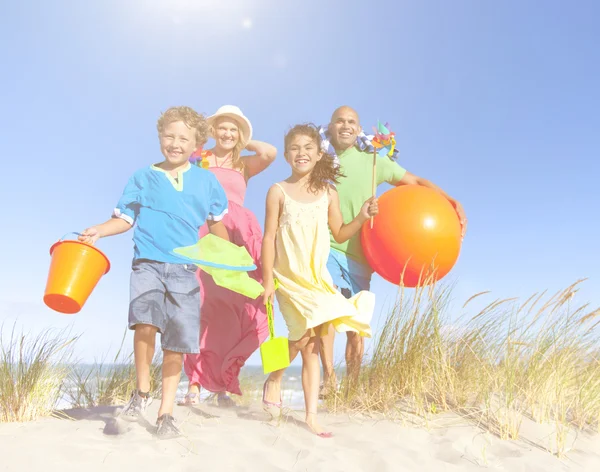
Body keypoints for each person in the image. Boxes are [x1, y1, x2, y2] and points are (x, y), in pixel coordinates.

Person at [78, 106, 230, 439]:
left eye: (183, 138)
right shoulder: (141, 177)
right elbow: (125, 219)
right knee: (144, 321)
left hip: (186, 268)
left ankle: (165, 413)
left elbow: (216, 224)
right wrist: (100, 230)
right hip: (147, 261)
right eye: (169, 136)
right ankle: (142, 392)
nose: (175, 143)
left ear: (196, 144)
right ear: (160, 136)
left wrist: (231, 256)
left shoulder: (207, 181)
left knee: (176, 341)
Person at [318, 106, 468, 396]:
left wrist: (449, 200)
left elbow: (414, 182)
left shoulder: (374, 158)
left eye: (351, 121)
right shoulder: (321, 159)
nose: (345, 126)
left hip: (362, 255)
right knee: (326, 309)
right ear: (331, 125)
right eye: (340, 121)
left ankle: (351, 387)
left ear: (358, 127)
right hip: (328, 245)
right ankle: (328, 379)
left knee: (356, 326)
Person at [260, 123, 377, 437]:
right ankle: (274, 377)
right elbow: (268, 237)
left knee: (312, 344)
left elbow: (339, 233)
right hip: (288, 277)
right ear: (286, 155)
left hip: (317, 279)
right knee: (302, 339)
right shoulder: (277, 191)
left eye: (308, 147)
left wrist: (362, 217)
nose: (302, 153)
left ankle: (311, 416)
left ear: (318, 153)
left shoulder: (328, 192)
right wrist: (268, 280)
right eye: (295, 148)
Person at [181, 105, 277, 407]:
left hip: (237, 235)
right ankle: (194, 383)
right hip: (204, 233)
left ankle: (223, 383)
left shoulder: (243, 164)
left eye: (233, 129)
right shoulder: (200, 159)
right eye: (222, 127)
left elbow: (270, 152)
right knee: (200, 305)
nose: (227, 133)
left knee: (234, 310)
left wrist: (242, 140)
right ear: (212, 131)